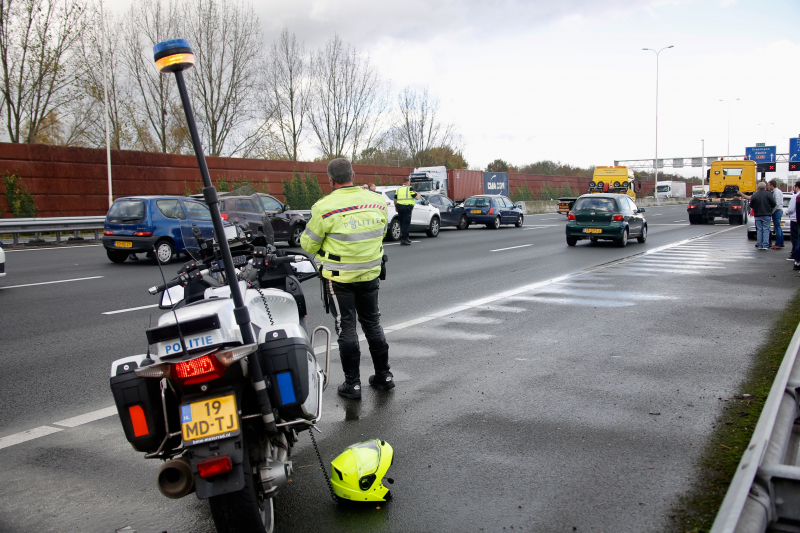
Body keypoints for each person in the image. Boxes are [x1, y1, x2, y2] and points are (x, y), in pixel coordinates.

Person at [300, 158, 394, 400]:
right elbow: (381, 232)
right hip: (371, 273)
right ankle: (384, 376)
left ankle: (353, 384)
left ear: (330, 179)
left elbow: (308, 243)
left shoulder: (324, 207)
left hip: (339, 278)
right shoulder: (377, 201)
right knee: (372, 323)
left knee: (346, 326)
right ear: (353, 173)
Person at [740, 181, 776, 250]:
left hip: (758, 215)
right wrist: (770, 209)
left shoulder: (755, 195)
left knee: (759, 230)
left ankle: (759, 244)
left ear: (758, 187)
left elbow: (751, 205)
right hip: (767, 214)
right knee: (766, 230)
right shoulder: (768, 194)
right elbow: (774, 203)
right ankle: (765, 245)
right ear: (765, 187)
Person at [394, 177, 418, 245]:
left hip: (400, 207)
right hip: (407, 208)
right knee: (406, 223)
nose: (409, 183)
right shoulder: (409, 188)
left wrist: (396, 206)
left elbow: (395, 199)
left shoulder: (398, 189)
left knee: (402, 223)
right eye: (409, 181)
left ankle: (406, 237)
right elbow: (416, 197)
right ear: (407, 182)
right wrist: (419, 193)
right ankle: (404, 239)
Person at [784, 181, 800, 269]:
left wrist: (787, 212)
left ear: (797, 187)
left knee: (796, 239)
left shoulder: (796, 196)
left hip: (795, 219)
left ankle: (795, 255)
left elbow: (791, 208)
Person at [768, 179, 784, 250]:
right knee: (779, 227)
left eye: (769, 185)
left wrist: (772, 211)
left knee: (777, 227)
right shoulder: (779, 191)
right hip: (779, 210)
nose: (768, 187)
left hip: (777, 211)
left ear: (772, 185)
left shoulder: (776, 192)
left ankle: (777, 244)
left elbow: (776, 203)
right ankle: (781, 242)